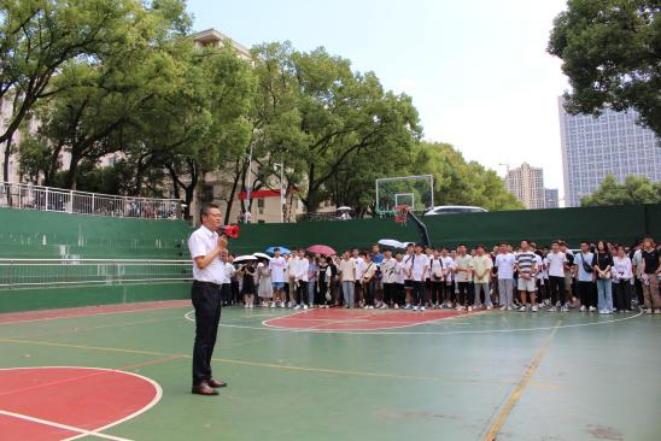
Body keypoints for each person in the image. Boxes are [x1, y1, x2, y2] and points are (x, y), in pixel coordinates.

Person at [187, 203, 228, 396]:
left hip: (215, 289)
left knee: (211, 336)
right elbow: (202, 263)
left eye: (220, 215)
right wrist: (218, 248)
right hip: (204, 289)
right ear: (204, 218)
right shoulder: (198, 236)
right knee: (203, 336)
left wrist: (223, 254)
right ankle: (199, 381)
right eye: (215, 215)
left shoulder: (215, 237)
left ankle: (207, 374)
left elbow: (216, 261)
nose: (219, 218)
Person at [515, 240, 538, 312]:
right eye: (522, 243)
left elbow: (533, 264)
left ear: (528, 245)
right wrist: (522, 274)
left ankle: (533, 306)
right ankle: (524, 305)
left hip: (530, 276)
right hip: (521, 275)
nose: (523, 244)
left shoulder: (532, 254)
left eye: (524, 243)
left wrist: (529, 274)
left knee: (532, 291)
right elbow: (517, 265)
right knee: (522, 291)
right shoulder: (518, 254)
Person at [574, 241, 597, 312]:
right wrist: (576, 275)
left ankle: (590, 305)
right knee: (582, 292)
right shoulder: (577, 255)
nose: (582, 247)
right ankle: (583, 305)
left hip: (590, 277)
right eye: (581, 246)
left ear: (588, 246)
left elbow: (594, 267)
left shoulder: (593, 255)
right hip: (581, 277)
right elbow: (576, 266)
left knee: (590, 292)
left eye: (584, 246)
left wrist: (594, 275)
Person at [592, 240, 614, 314]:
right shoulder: (596, 254)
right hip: (599, 275)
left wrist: (604, 271)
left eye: (601, 244)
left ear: (604, 245)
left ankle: (609, 308)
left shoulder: (608, 253)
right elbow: (594, 264)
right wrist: (600, 271)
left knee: (608, 292)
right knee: (600, 292)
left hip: (607, 275)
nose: (600, 246)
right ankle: (601, 308)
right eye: (599, 244)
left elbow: (610, 263)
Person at [640, 237, 661, 313]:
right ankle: (648, 307)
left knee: (654, 291)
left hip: (654, 274)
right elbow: (643, 263)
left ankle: (657, 307)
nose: (646, 243)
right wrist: (642, 273)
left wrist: (658, 270)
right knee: (646, 292)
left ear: (651, 243)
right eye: (645, 242)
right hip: (646, 274)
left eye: (647, 242)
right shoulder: (644, 253)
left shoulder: (656, 252)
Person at [546, 241, 568, 312]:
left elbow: (564, 265)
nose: (554, 247)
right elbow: (548, 265)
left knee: (562, 291)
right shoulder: (549, 255)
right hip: (552, 275)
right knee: (553, 291)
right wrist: (549, 273)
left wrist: (562, 272)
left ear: (559, 246)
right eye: (553, 245)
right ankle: (553, 306)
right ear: (551, 247)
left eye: (556, 245)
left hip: (560, 275)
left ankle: (563, 305)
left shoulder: (563, 255)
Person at [471, 245, 493, 310]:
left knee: (486, 292)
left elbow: (488, 268)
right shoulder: (474, 258)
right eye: (478, 249)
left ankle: (488, 304)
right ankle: (477, 304)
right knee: (477, 292)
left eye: (481, 248)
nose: (479, 250)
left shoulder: (487, 258)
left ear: (483, 249)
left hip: (485, 277)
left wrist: (482, 275)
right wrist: (477, 275)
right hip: (476, 277)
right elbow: (473, 268)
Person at [612, 245, 633, 312]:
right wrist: (618, 275)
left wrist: (623, 276)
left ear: (624, 251)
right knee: (619, 294)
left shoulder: (627, 259)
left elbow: (628, 269)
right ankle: (620, 307)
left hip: (626, 279)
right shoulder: (614, 259)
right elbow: (613, 268)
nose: (620, 251)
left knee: (626, 293)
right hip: (617, 279)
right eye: (619, 250)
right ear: (617, 251)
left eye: (622, 250)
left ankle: (627, 307)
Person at [495, 243, 516, 311]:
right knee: (502, 291)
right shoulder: (498, 256)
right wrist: (498, 273)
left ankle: (509, 304)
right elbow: (497, 266)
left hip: (509, 275)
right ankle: (504, 304)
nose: (503, 248)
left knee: (509, 290)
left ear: (507, 247)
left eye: (504, 246)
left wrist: (511, 272)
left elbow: (514, 265)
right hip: (501, 276)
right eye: (501, 246)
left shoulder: (511, 256)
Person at [410, 244, 430, 311]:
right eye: (416, 248)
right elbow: (411, 266)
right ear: (415, 249)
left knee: (422, 292)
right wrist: (412, 275)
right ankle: (415, 305)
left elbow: (426, 266)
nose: (418, 249)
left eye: (419, 248)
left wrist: (423, 274)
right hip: (414, 277)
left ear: (421, 249)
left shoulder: (424, 256)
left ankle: (423, 305)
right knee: (415, 292)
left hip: (422, 277)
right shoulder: (413, 256)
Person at [454, 245, 473, 311]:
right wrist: (465, 269)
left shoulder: (470, 257)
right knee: (461, 293)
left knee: (469, 292)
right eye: (460, 248)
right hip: (460, 278)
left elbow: (470, 267)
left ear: (466, 249)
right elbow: (456, 268)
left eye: (463, 248)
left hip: (468, 278)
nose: (462, 249)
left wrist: (466, 273)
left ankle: (470, 305)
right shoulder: (457, 258)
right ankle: (462, 305)